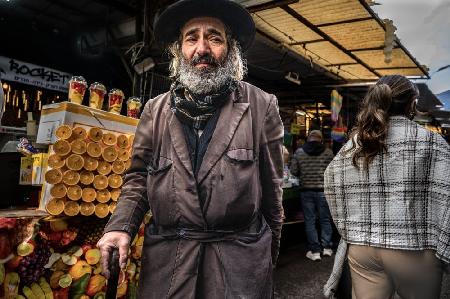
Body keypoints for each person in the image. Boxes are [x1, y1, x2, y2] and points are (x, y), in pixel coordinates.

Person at [97, 0, 285, 298]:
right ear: (179, 50)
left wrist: (264, 260)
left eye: (214, 37)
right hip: (170, 263)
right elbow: (137, 178)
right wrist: (120, 226)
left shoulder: (261, 106)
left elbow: (273, 195)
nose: (202, 49)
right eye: (192, 38)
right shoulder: (154, 111)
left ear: (230, 49)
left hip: (237, 264)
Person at [323, 75, 450, 299]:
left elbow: (331, 184)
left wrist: (349, 230)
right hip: (415, 247)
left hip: (362, 248)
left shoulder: (353, 145)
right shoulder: (432, 142)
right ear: (412, 104)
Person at [290, 130, 334, 261]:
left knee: (310, 220)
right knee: (325, 219)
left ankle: (315, 252)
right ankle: (327, 248)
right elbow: (332, 172)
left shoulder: (299, 152)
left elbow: (293, 171)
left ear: (308, 138)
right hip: (323, 191)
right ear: (320, 139)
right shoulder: (328, 152)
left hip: (306, 191)